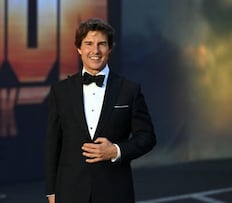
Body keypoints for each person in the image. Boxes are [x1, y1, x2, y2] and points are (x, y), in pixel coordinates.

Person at [45, 18, 156, 203]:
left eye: (102, 44)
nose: (95, 51)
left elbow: (147, 137)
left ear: (110, 48)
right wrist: (51, 193)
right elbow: (52, 145)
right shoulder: (61, 91)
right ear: (79, 48)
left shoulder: (129, 90)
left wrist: (116, 151)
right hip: (70, 194)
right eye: (88, 44)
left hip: (115, 193)